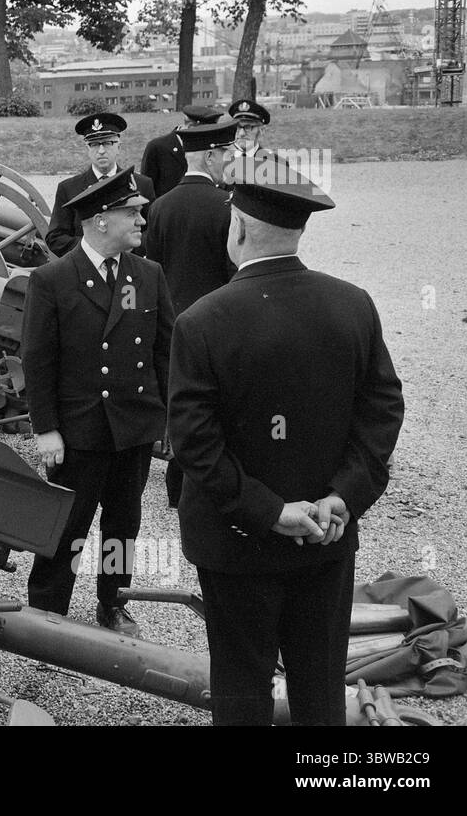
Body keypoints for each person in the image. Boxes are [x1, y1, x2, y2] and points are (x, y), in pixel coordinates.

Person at [167, 160, 404, 725]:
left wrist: (270, 511)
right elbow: (383, 412)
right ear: (300, 229)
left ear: (240, 229)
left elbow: (195, 444)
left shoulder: (202, 321)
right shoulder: (353, 304)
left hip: (236, 542)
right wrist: (342, 496)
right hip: (329, 533)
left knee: (242, 688)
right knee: (320, 688)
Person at [21, 166, 174, 636]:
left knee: (123, 524)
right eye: (133, 213)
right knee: (66, 526)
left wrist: (167, 418)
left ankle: (114, 602)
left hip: (132, 428)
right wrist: (46, 428)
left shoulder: (147, 274)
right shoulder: (53, 280)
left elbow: (164, 350)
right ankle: (48, 612)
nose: (142, 221)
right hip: (78, 430)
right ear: (101, 220)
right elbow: (38, 360)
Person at [143, 119, 239, 509]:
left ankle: (177, 486)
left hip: (173, 323)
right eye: (227, 153)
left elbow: (153, 268)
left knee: (183, 404)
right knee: (219, 407)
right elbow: (235, 271)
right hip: (218, 321)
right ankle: (213, 483)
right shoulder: (228, 207)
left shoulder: (161, 207)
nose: (231, 159)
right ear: (211, 155)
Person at [45, 113, 155, 259]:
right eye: (95, 144)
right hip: (85, 269)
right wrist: (95, 250)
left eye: (108, 143)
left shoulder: (142, 184)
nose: (101, 151)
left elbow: (154, 231)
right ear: (87, 148)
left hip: (130, 266)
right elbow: (55, 237)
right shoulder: (69, 188)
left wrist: (125, 251)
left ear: (119, 146)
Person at [139, 105, 223, 200]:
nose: (210, 137)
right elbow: (146, 189)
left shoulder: (210, 149)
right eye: (206, 132)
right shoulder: (157, 147)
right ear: (191, 128)